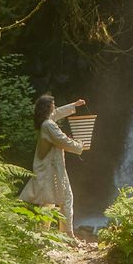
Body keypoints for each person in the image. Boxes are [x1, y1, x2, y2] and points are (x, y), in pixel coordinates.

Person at [18, 93, 86, 237]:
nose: (55, 107)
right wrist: (79, 145)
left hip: (48, 167)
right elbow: (63, 141)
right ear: (48, 107)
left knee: (48, 200)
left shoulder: (46, 121)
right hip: (51, 168)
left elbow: (57, 113)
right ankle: (67, 234)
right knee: (66, 197)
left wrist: (74, 105)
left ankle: (42, 234)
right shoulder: (49, 125)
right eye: (53, 105)